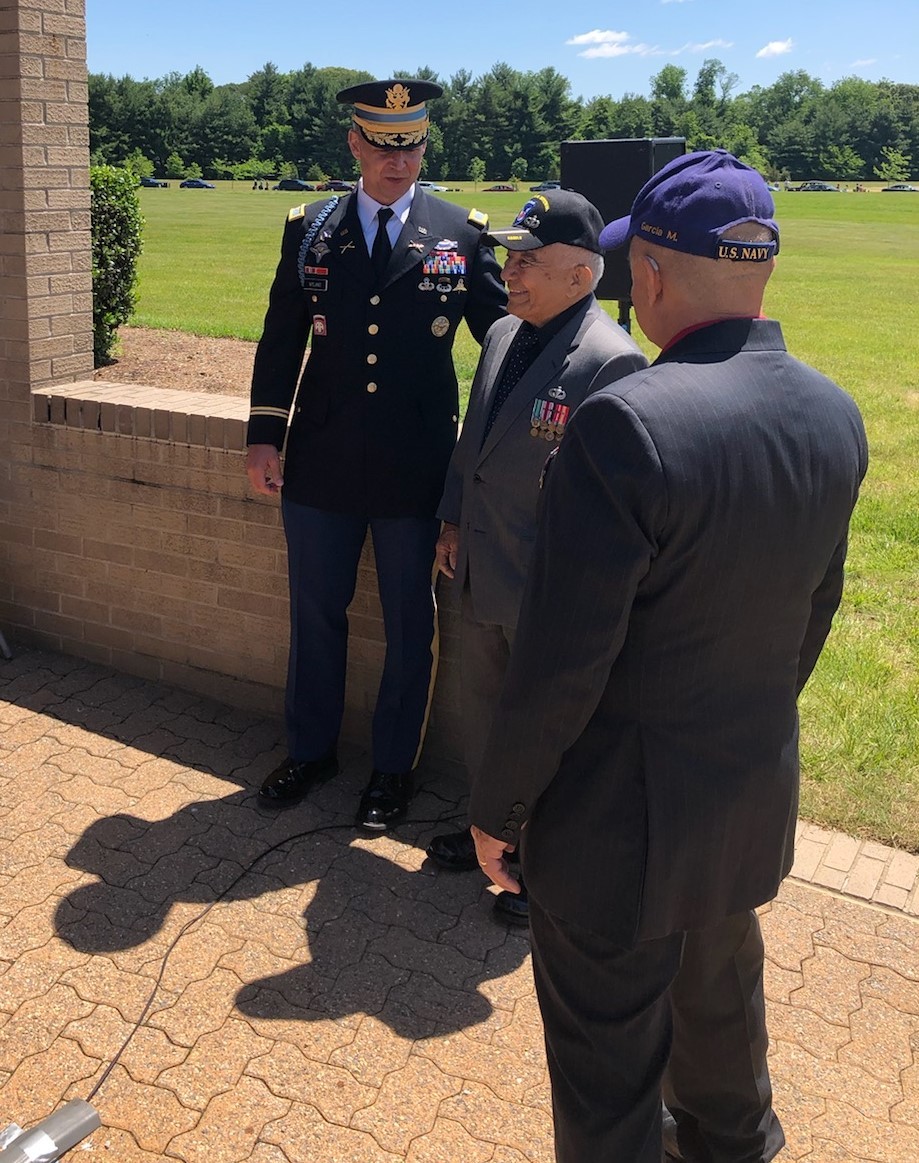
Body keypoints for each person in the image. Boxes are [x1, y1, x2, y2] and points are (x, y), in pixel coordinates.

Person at [467, 150, 868, 1162]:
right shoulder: (833, 413)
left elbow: (561, 663)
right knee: (723, 1036)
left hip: (614, 832)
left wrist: (499, 807)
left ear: (647, 272)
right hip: (739, 801)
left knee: (609, 1085)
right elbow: (810, 615)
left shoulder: (625, 423)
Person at [246, 79, 506, 830]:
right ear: (355, 144)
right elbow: (281, 335)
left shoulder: (461, 231)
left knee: (409, 624)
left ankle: (393, 770)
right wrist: (263, 435)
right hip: (320, 457)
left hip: (416, 466)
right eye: (385, 146)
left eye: (412, 146)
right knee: (315, 614)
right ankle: (311, 750)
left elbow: (501, 341)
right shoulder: (310, 228)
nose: (399, 161)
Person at [425, 189, 648, 925]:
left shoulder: (612, 361)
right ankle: (488, 829)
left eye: (527, 261)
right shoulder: (500, 333)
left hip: (547, 588)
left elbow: (610, 505)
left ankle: (538, 869)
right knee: (486, 713)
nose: (509, 272)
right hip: (481, 570)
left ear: (581, 276)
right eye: (509, 258)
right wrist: (452, 519)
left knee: (547, 732)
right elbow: (475, 442)